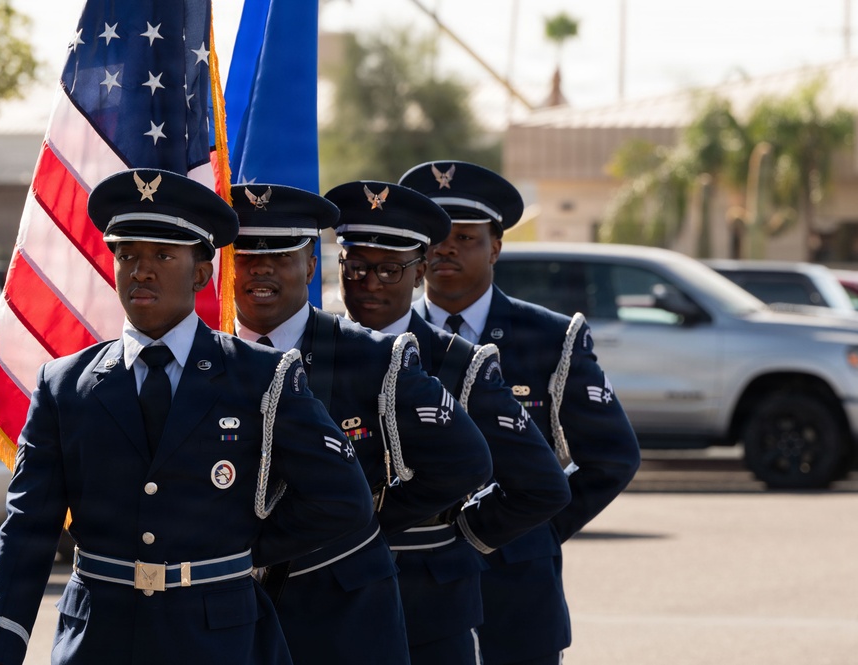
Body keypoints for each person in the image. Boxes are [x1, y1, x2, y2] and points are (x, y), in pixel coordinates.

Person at [0, 168, 375, 665]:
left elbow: (342, 499)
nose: (142, 270)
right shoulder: (65, 385)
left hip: (217, 639)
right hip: (99, 640)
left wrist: (239, 547)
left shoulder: (259, 377)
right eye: (128, 255)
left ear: (202, 273)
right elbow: (27, 533)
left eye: (163, 256)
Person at [229, 182, 494, 665]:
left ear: (311, 264)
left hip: (341, 605)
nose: (261, 267)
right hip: (225, 608)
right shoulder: (204, 356)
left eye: (282, 254)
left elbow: (465, 461)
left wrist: (367, 520)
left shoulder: (370, 354)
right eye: (244, 254)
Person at [399, 160, 642, 665]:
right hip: (411, 581)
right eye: (435, 237)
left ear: (496, 247)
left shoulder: (552, 337)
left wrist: (537, 526)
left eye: (465, 237)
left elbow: (612, 457)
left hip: (514, 579)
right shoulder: (384, 340)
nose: (446, 248)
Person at [326, 180, 573, 665]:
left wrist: (460, 533)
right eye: (356, 268)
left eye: (390, 269)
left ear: (419, 274)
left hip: (426, 595)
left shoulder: (459, 363)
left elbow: (543, 486)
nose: (371, 283)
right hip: (329, 598)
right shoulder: (311, 354)